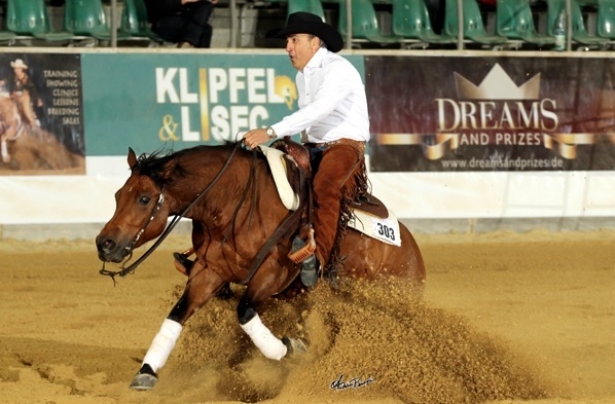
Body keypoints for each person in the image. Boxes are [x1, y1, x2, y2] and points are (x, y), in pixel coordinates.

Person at [242, 12, 370, 287]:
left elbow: (318, 109)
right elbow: (310, 117)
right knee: (267, 175)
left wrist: (271, 131)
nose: (288, 47)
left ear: (315, 43)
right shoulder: (303, 77)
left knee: (325, 187)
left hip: (344, 147)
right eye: (288, 40)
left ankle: (319, 261)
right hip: (313, 147)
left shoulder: (339, 69)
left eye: (294, 39)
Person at [144, 0, 218, 48]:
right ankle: (187, 42)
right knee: (201, 29)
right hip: (161, 22)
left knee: (206, 7)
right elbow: (161, 6)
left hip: (183, 21)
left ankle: (201, 62)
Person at [8, 59, 42, 129]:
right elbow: (10, 87)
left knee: (25, 107)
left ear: (21, 69)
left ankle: (31, 121)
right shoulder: (13, 78)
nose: (16, 70)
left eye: (17, 68)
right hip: (15, 97)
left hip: (24, 97)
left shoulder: (26, 79)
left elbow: (32, 89)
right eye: (15, 68)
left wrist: (37, 98)